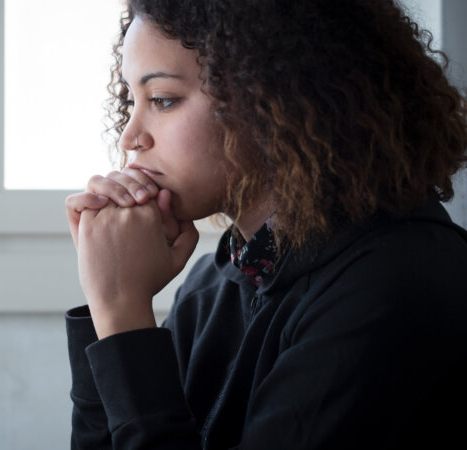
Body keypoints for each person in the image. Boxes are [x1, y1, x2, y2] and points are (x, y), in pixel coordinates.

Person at [63, 0, 467, 448]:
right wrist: (106, 311)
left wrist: (121, 311)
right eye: (130, 99)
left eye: (162, 99)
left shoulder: (396, 284)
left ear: (276, 97)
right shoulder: (211, 286)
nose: (130, 136)